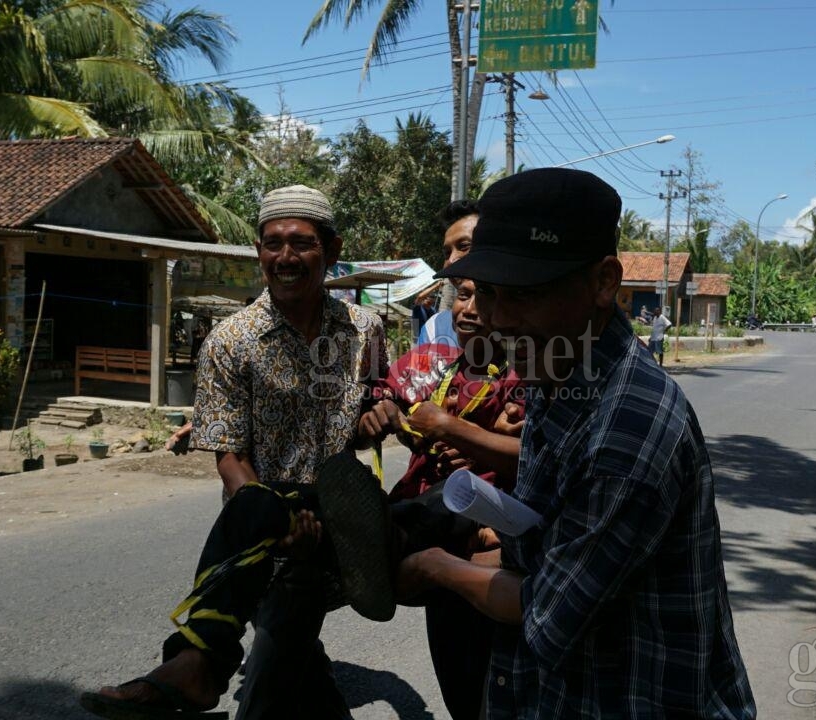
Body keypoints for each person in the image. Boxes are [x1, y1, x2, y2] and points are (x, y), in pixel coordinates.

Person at [397, 168, 756, 719]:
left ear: (603, 282)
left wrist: (436, 568)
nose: (493, 318)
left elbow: (544, 611)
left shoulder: (624, 436)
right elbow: (540, 538)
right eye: (486, 293)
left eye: (524, 295)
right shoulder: (556, 373)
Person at [83, 184, 390, 720]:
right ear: (258, 251)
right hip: (260, 520)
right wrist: (276, 522)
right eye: (273, 244)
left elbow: (367, 418)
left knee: (284, 644)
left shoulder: (365, 330)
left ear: (332, 251)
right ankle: (200, 665)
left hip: (339, 515)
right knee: (285, 643)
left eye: (302, 243)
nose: (285, 258)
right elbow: (228, 455)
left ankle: (198, 665)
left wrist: (374, 420)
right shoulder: (230, 340)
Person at [359, 276, 523, 720]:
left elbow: (537, 459)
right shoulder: (433, 363)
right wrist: (384, 414)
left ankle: (367, 551)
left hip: (482, 531)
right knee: (458, 682)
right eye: (462, 296)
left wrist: (469, 440)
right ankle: (363, 543)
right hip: (429, 523)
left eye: (484, 295)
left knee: (484, 680)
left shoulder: (520, 376)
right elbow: (378, 399)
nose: (469, 309)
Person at [417, 200, 478, 349]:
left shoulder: (527, 325)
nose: (451, 260)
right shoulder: (434, 329)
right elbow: (419, 371)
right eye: (447, 253)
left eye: (464, 247)